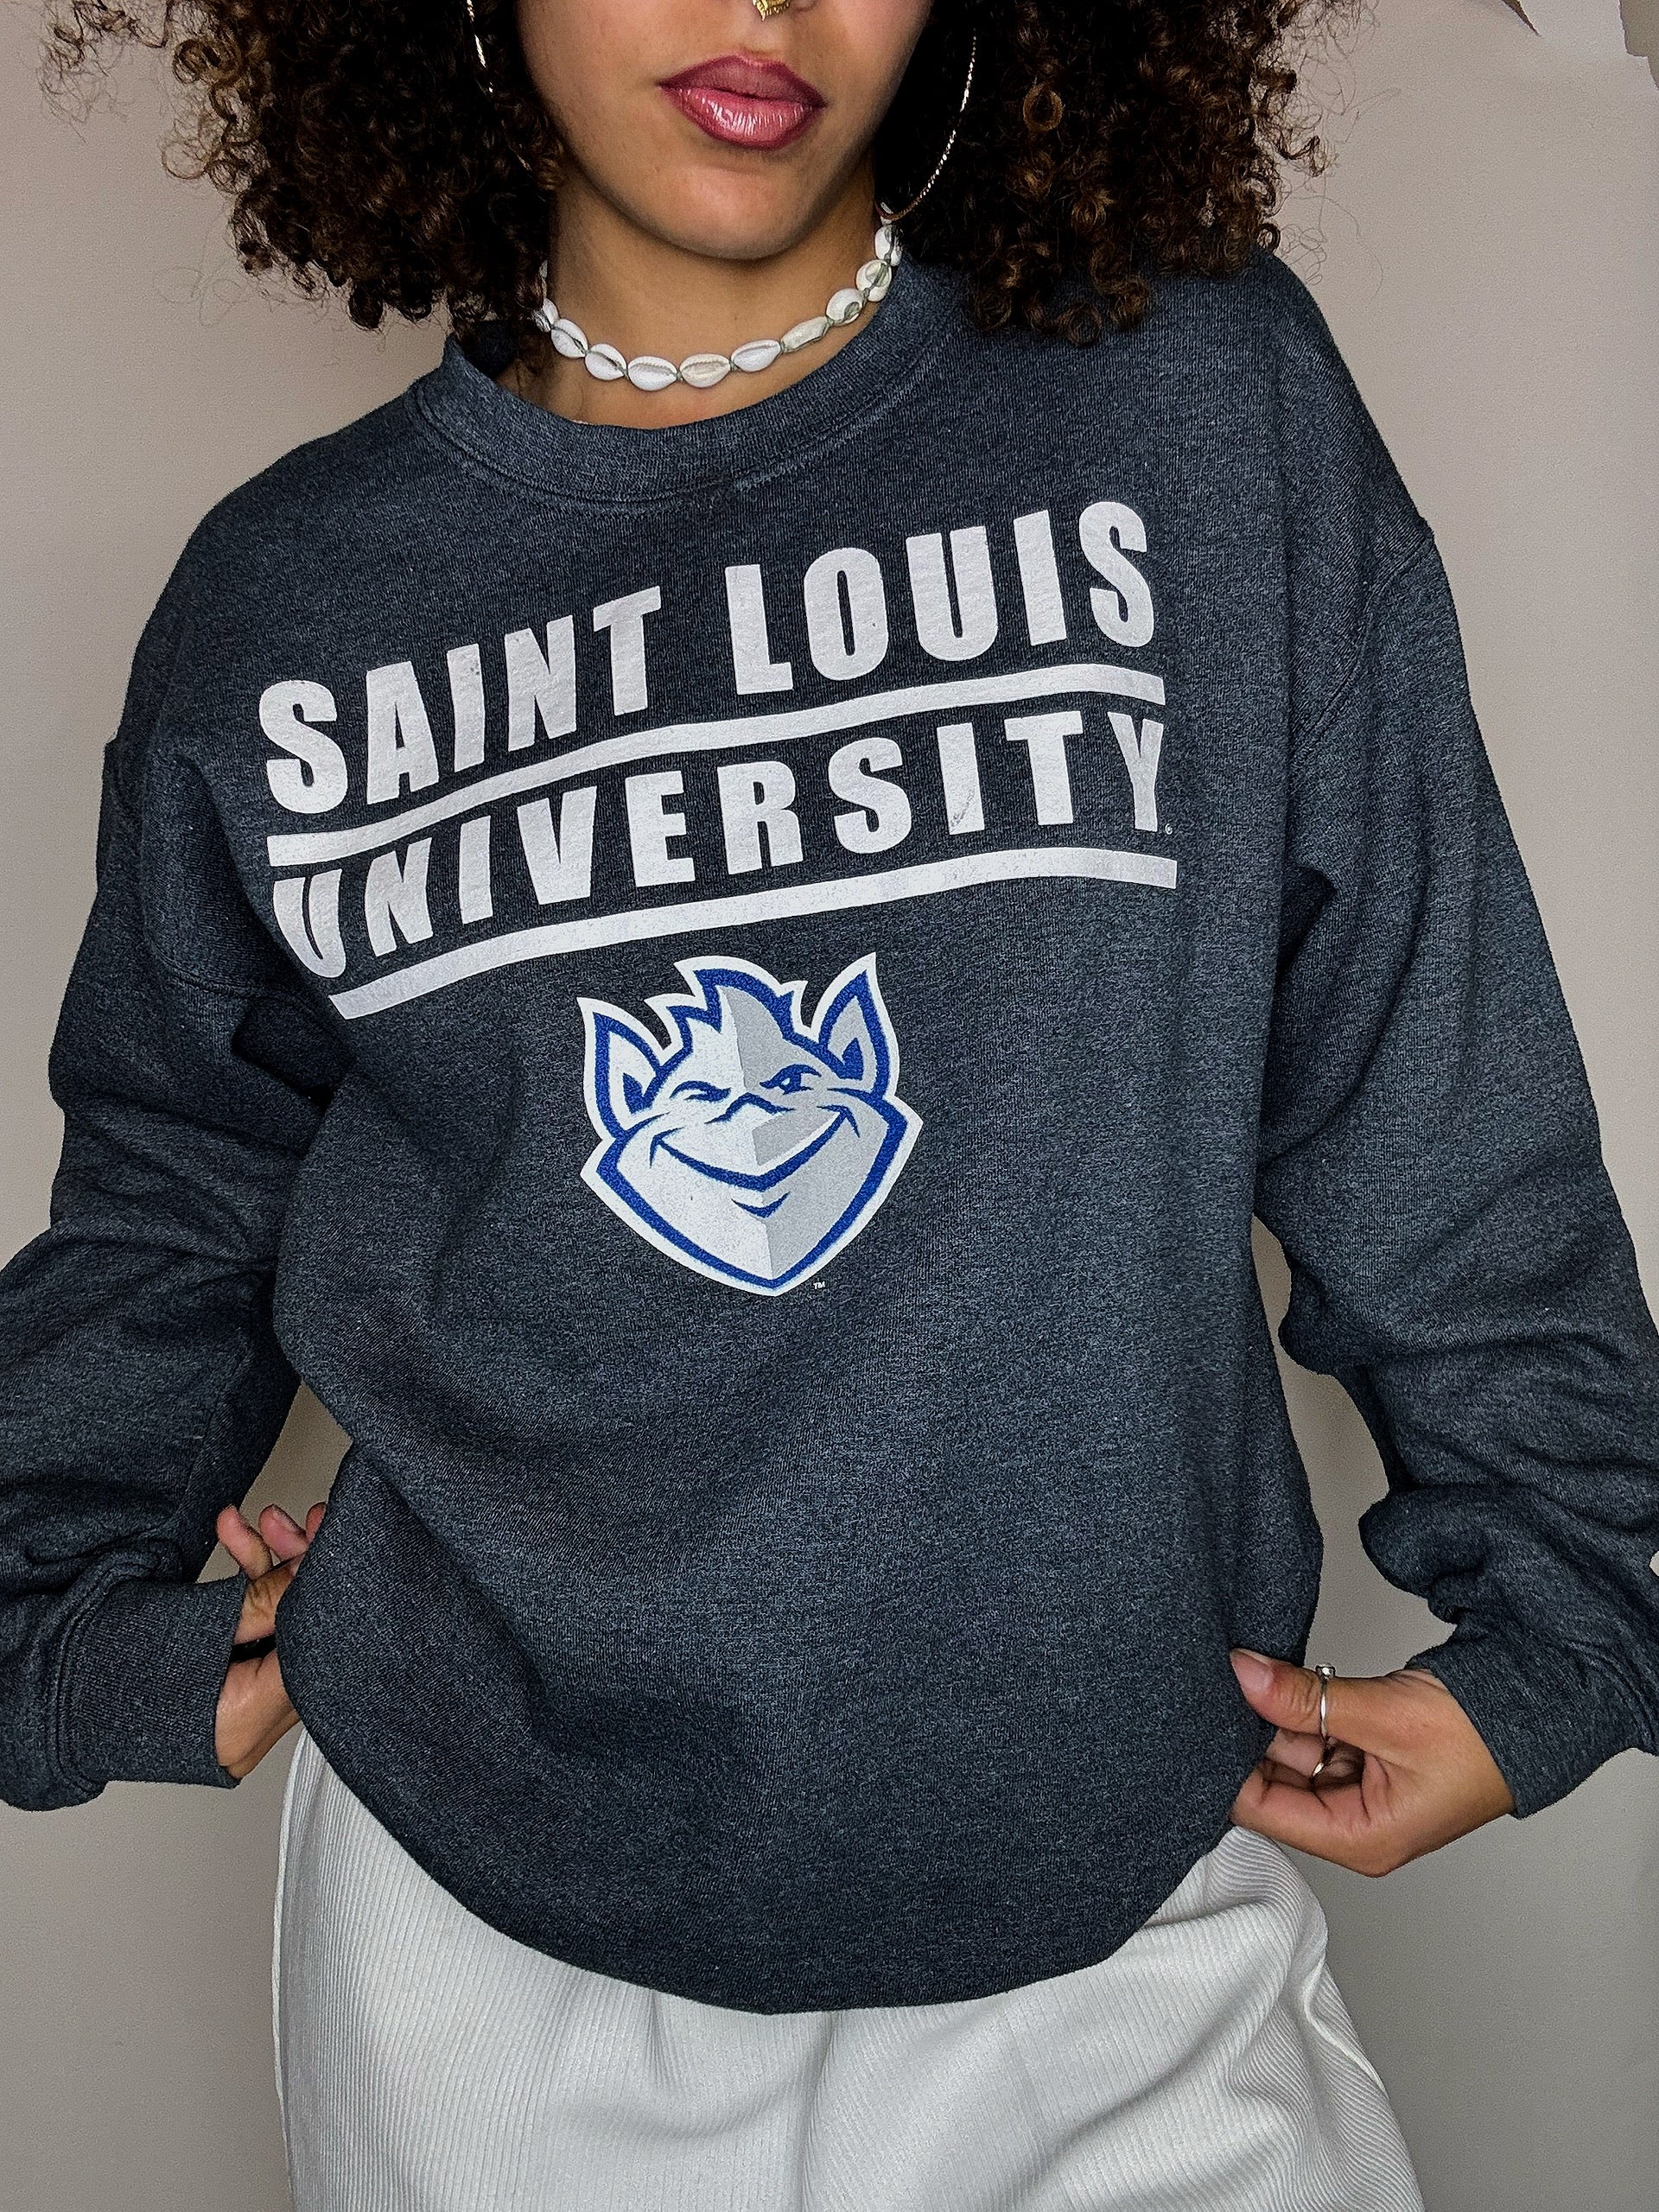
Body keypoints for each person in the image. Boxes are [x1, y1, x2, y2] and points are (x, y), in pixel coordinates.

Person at [6, 0, 1658, 2203]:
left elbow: (1423, 1072)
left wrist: (1567, 1614)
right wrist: (57, 1621)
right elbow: (173, 1190)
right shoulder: (284, 600)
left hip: (1118, 1880)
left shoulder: (1196, 400)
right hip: (476, 1944)